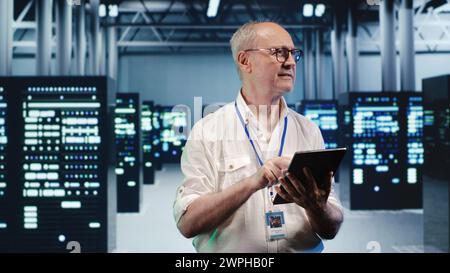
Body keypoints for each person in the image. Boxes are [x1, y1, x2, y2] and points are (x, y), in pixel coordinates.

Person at [173, 21, 343, 253]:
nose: (291, 62)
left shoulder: (308, 130)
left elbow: (331, 228)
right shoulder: (207, 131)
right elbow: (187, 223)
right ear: (245, 61)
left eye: (294, 54)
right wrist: (253, 183)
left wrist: (316, 208)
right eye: (279, 53)